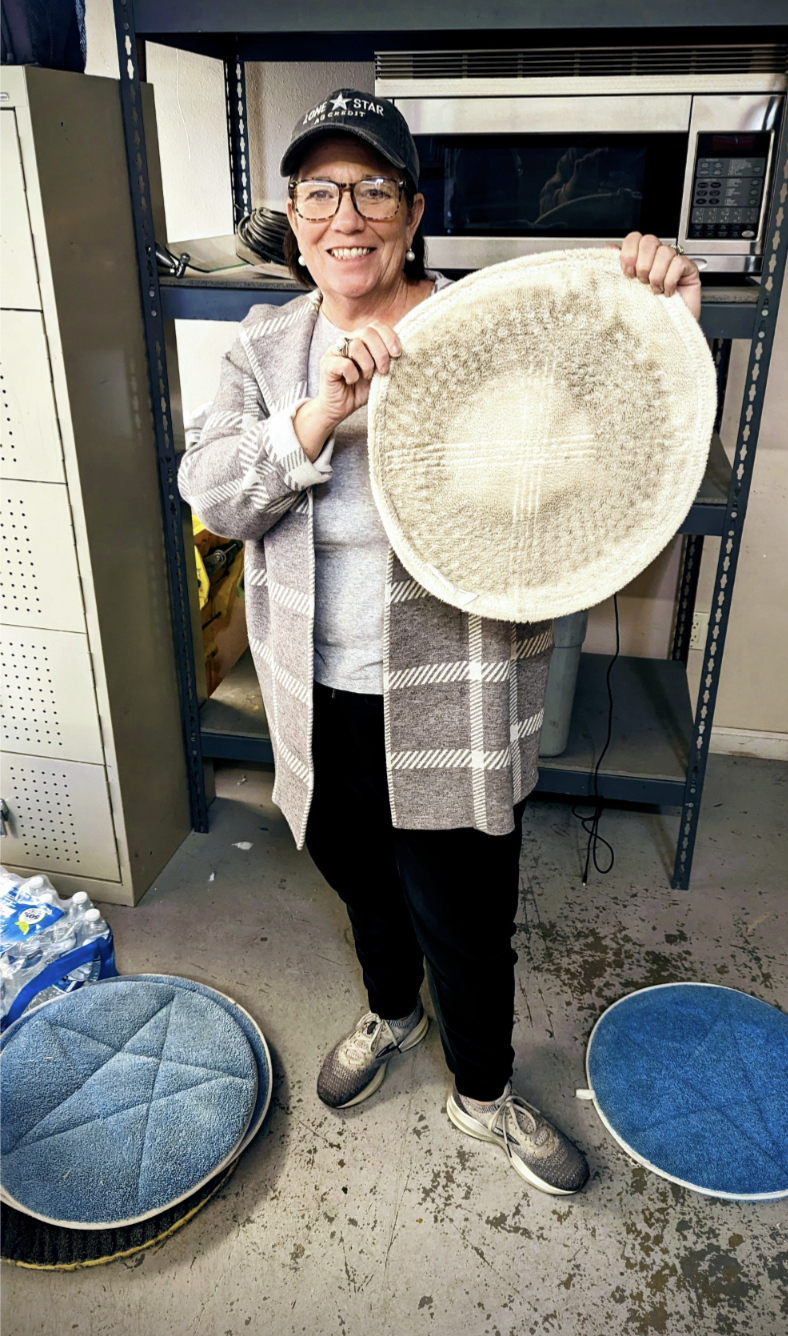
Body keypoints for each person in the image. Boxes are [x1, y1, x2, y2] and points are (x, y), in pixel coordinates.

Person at [178, 89, 702, 1198]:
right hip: (315, 690)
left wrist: (663, 317)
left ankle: (482, 1090)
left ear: (413, 213)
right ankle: (391, 1011)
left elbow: (616, 437)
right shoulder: (266, 346)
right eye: (319, 192)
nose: (346, 216)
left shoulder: (487, 326)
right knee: (360, 880)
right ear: (292, 216)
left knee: (465, 919)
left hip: (453, 690)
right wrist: (318, 413)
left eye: (373, 189)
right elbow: (216, 496)